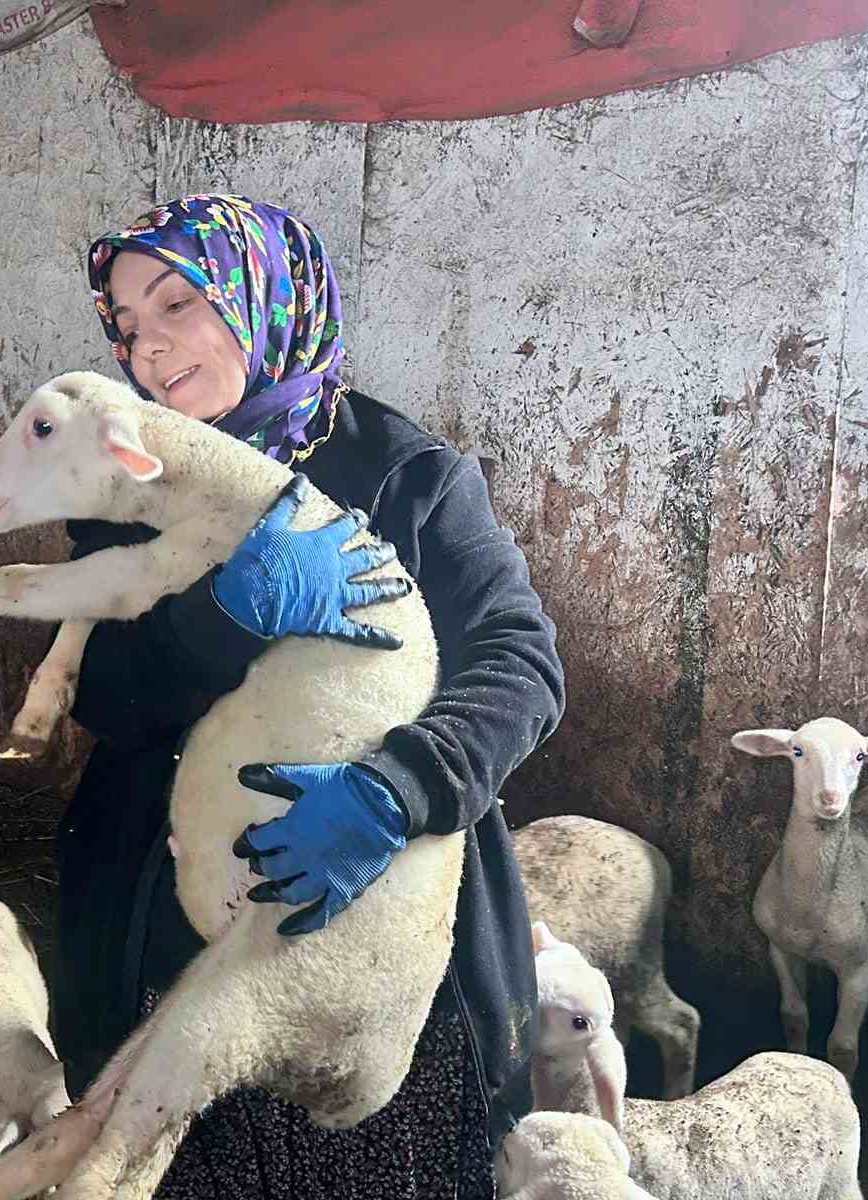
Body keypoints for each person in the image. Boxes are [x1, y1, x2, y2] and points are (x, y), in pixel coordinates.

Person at [50, 195, 565, 1198]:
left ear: (262, 298)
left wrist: (397, 788)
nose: (152, 352)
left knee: (376, 1158)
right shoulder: (126, 486)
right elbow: (105, 700)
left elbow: (520, 663)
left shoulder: (407, 476)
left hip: (386, 927)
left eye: (178, 305)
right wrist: (211, 621)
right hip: (177, 923)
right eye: (127, 328)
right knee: (198, 1160)